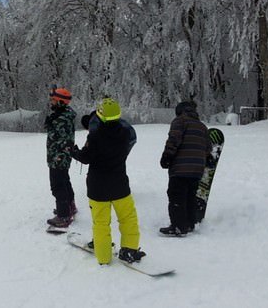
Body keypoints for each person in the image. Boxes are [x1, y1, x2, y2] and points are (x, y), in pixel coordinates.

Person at [72, 97, 145, 265]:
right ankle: (129, 250)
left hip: (98, 188)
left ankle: (104, 257)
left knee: (101, 224)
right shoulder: (126, 134)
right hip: (120, 185)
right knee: (128, 219)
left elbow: (86, 158)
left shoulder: (95, 136)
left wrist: (73, 151)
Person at [159, 101, 209, 236]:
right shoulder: (202, 127)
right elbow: (208, 148)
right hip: (197, 170)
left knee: (176, 196)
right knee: (190, 196)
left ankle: (178, 226)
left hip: (181, 168)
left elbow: (173, 140)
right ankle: (190, 223)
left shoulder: (180, 121)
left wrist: (166, 157)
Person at [44, 87, 77, 228]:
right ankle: (70, 207)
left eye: (53, 100)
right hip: (59, 156)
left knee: (57, 185)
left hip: (59, 157)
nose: (51, 102)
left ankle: (64, 216)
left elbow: (62, 139)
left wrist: (57, 157)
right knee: (64, 181)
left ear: (61, 102)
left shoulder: (62, 118)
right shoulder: (62, 115)